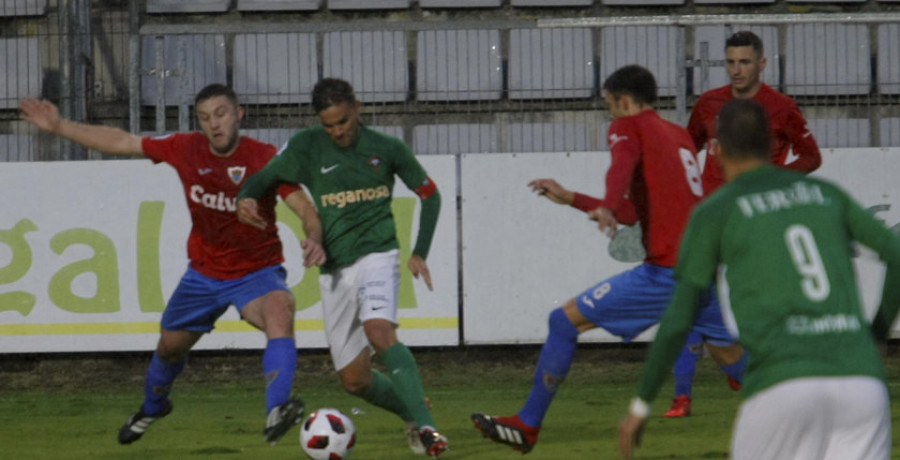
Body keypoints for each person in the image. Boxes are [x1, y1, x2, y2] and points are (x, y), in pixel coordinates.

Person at [18, 84, 327, 446]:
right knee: (169, 348)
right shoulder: (185, 148)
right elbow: (123, 142)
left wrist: (314, 237)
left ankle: (277, 409)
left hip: (256, 273)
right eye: (206, 117)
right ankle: (153, 406)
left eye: (221, 114)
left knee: (281, 308)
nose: (214, 124)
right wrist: (60, 127)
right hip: (203, 275)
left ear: (239, 113)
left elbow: (305, 208)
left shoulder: (265, 158)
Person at [470, 65, 743, 454]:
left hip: (668, 273)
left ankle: (528, 424)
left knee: (562, 321)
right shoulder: (678, 136)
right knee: (732, 356)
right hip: (700, 267)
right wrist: (573, 199)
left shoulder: (629, 127)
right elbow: (635, 212)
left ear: (624, 100)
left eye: (610, 106)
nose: (610, 115)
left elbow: (620, 170)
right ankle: (809, 413)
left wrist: (609, 205)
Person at [618, 99, 900, 460]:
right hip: (860, 383)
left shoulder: (716, 211)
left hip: (782, 383)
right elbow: (896, 255)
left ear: (716, 149)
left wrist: (642, 404)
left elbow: (679, 316)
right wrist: (875, 333)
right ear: (770, 144)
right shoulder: (826, 194)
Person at [236, 78, 448, 457]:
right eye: (329, 125)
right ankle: (414, 413)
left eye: (343, 122)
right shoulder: (306, 146)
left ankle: (430, 429)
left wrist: (419, 251)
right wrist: (245, 197)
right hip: (334, 270)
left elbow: (431, 196)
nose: (337, 131)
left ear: (358, 108)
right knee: (355, 381)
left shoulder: (387, 149)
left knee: (379, 330)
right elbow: (264, 178)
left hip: (377, 255)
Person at [665, 30, 824, 418]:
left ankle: (753, 371)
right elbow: (688, 147)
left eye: (745, 62)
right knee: (691, 299)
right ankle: (682, 397)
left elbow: (811, 156)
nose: (736, 70)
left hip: (756, 219)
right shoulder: (708, 103)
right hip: (711, 216)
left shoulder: (782, 107)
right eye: (731, 62)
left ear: (762, 64)